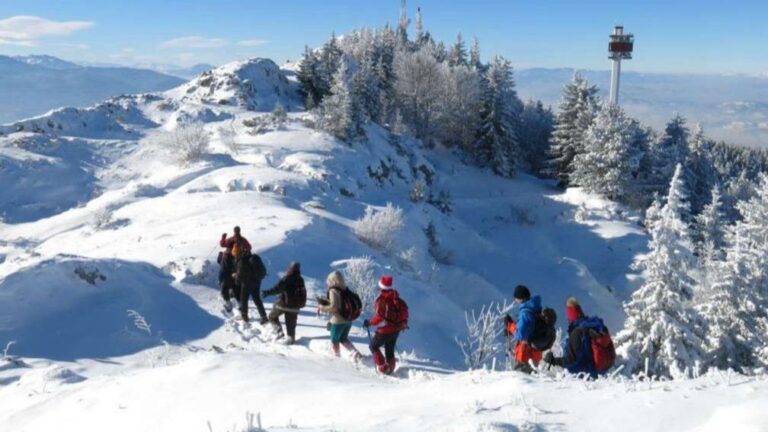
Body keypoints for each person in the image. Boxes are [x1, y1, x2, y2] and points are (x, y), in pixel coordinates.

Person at [544, 297, 612, 379]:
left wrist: (553, 360)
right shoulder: (594, 326)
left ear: (570, 317)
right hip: (598, 372)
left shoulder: (577, 333)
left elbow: (571, 360)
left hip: (582, 376)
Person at [363, 275, 408, 375]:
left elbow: (379, 317)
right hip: (396, 329)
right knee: (389, 349)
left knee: (373, 346)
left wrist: (369, 322)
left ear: (382, 287)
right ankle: (390, 368)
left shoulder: (382, 300)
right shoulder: (397, 298)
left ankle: (383, 367)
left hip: (384, 331)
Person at [318, 271, 362, 360]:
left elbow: (334, 307)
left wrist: (322, 307)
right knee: (343, 338)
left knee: (334, 340)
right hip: (348, 320)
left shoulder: (333, 290)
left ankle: (337, 358)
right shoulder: (345, 289)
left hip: (337, 321)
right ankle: (355, 353)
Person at [263, 262, 305, 344]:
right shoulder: (301, 279)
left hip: (283, 304)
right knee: (291, 324)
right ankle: (291, 338)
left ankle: (279, 332)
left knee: (272, 316)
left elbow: (277, 289)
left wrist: (267, 292)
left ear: (291, 268)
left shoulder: (287, 278)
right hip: (295, 307)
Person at [505, 285, 543, 373]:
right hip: (535, 353)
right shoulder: (535, 309)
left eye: (516, 298)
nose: (515, 300)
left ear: (521, 298)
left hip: (525, 355)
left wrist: (510, 325)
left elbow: (521, 335)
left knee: (521, 379)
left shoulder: (526, 313)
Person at [234, 250, 269, 324]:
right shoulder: (256, 257)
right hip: (257, 282)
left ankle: (245, 316)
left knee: (244, 299)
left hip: (246, 283)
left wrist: (236, 280)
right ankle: (264, 316)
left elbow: (239, 275)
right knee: (257, 299)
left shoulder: (242, 261)